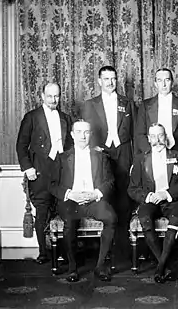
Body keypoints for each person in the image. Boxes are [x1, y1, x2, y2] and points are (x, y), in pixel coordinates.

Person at [48, 120, 117, 283]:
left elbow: (110, 182)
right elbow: (52, 185)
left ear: (91, 135)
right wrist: (70, 194)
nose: (82, 136)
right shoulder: (62, 157)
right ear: (72, 135)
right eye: (78, 132)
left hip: (93, 200)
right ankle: (73, 268)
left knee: (111, 218)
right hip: (71, 200)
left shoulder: (101, 157)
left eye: (86, 132)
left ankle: (100, 266)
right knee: (70, 223)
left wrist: (95, 194)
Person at [128, 123, 178, 283]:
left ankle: (160, 267)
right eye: (153, 136)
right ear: (149, 139)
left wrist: (166, 194)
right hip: (151, 200)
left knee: (177, 216)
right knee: (144, 216)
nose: (157, 140)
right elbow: (132, 188)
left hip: (173, 200)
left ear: (166, 137)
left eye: (160, 135)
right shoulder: (140, 159)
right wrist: (148, 196)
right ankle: (166, 265)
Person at [82, 66, 136, 260]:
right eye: (106, 79)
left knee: (123, 198)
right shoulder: (90, 104)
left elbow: (135, 134)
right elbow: (85, 131)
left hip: (123, 153)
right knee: (105, 197)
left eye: (113, 78)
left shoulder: (127, 103)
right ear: (99, 81)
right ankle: (106, 251)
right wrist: (94, 149)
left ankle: (123, 250)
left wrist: (134, 160)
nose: (110, 82)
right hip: (101, 154)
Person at [16, 82, 73, 265]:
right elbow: (21, 145)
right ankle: (43, 252)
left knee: (64, 211)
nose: (53, 100)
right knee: (42, 212)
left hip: (61, 173)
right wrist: (27, 168)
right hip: (39, 172)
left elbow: (71, 146)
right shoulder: (32, 117)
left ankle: (64, 252)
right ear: (42, 96)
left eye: (56, 96)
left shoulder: (65, 118)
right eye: (49, 96)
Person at [135, 68, 178, 155]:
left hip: (176, 152)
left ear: (172, 82)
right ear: (155, 84)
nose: (164, 84)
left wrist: (176, 153)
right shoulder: (145, 105)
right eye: (160, 80)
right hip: (151, 153)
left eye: (167, 80)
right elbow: (140, 133)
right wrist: (150, 152)